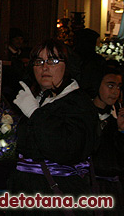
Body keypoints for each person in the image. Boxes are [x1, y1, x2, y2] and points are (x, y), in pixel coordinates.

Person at [8, 39, 99, 207]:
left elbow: (66, 148)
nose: (45, 67)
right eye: (39, 61)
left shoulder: (79, 103)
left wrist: (35, 114)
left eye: (53, 60)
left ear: (67, 65)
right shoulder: (38, 98)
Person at [89, 65, 124, 213]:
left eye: (118, 87)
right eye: (110, 85)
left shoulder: (117, 116)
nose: (115, 92)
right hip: (88, 186)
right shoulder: (83, 114)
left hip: (112, 188)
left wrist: (121, 130)